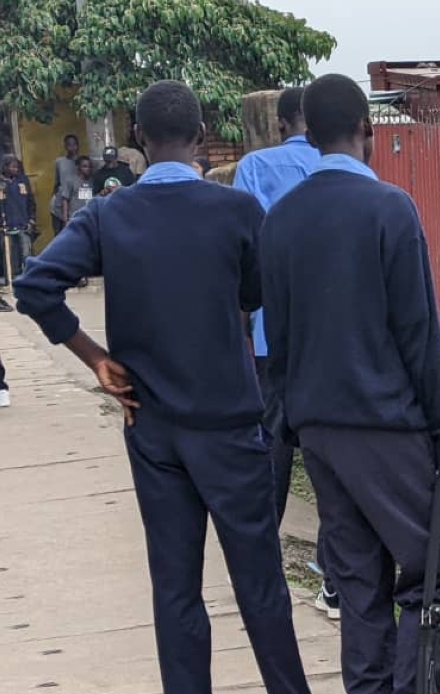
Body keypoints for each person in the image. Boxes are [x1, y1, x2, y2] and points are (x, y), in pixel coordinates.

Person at [14, 80, 312, 694]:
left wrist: (94, 355)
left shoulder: (108, 214)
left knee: (176, 590)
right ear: (202, 137)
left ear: (138, 139)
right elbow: (256, 296)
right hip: (230, 426)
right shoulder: (236, 211)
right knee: (259, 586)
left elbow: (34, 286)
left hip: (152, 428)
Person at [260, 73, 440, 694]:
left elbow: (281, 336)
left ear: (306, 131)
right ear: (366, 130)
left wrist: (291, 424)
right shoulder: (389, 208)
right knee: (436, 565)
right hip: (388, 425)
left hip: (320, 429)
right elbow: (418, 334)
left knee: (358, 584)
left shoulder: (281, 219)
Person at [232, 86, 335, 619]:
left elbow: (250, 246)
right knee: (330, 450)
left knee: (273, 443)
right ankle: (333, 568)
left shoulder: (254, 167)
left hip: (275, 335)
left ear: (280, 125)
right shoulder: (341, 166)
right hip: (335, 336)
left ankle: (260, 558)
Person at [1, 153, 37, 275]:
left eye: (17, 167)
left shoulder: (23, 180)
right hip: (7, 227)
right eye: (12, 167)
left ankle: (28, 279)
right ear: (5, 167)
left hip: (24, 225)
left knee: (26, 254)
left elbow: (31, 201)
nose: (16, 169)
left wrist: (32, 220)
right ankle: (12, 281)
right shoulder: (1, 183)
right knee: (10, 257)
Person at [51, 134, 81, 236]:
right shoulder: (59, 162)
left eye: (74, 144)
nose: (72, 147)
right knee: (59, 234)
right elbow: (57, 182)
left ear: (78, 145)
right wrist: (54, 198)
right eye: (69, 144)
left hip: (75, 204)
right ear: (65, 146)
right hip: (59, 203)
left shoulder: (82, 162)